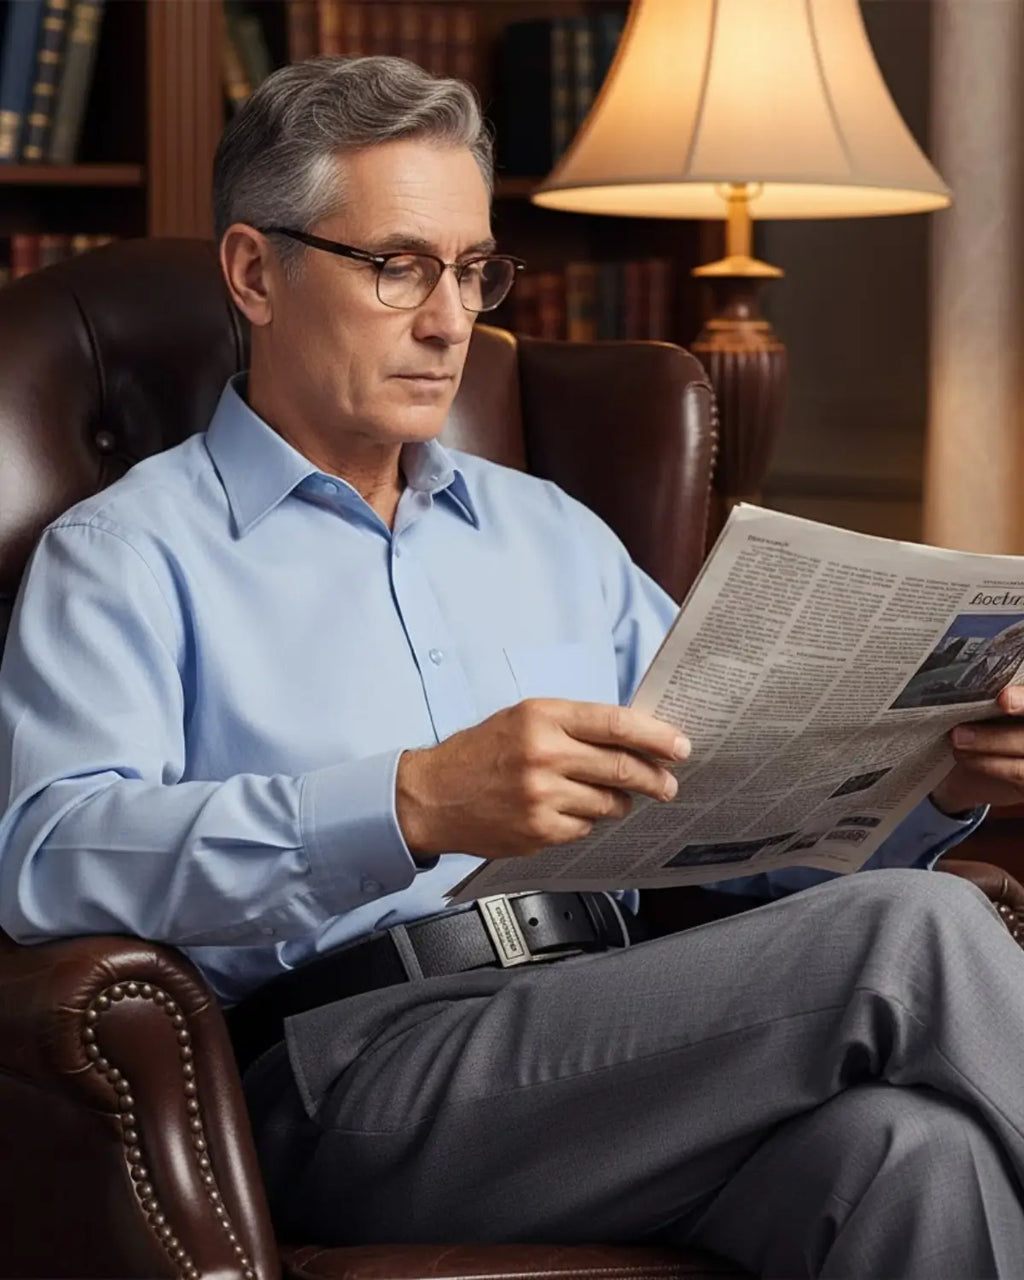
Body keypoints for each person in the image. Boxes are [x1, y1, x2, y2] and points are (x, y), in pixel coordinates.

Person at [2, 56, 1024, 1278]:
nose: (450, 320)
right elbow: (48, 857)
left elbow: (733, 810)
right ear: (252, 272)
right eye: (397, 266)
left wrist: (942, 781)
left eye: (473, 269)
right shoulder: (126, 552)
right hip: (343, 1073)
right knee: (916, 931)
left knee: (913, 1154)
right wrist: (411, 802)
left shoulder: (555, 532)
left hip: (628, 1026)